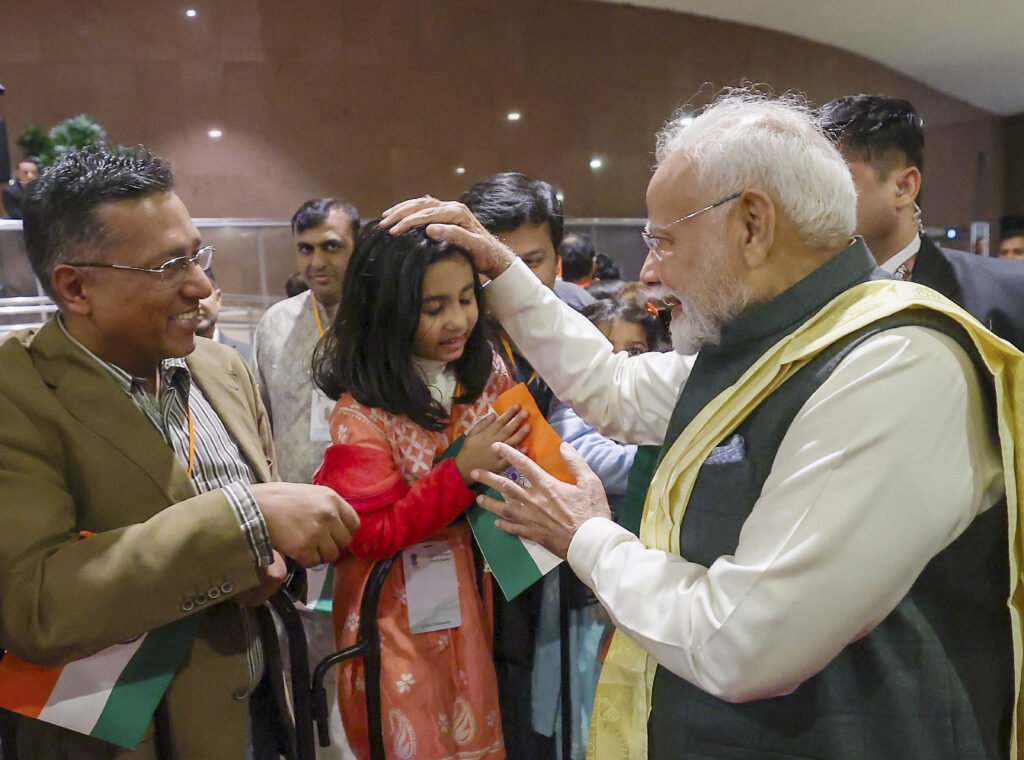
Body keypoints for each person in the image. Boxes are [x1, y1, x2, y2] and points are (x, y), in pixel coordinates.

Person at [381, 92, 1023, 759]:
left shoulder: (893, 362)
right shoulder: (782, 342)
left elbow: (745, 641)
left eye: (663, 240)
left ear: (752, 224)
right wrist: (503, 274)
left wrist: (586, 536)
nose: (650, 273)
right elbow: (616, 391)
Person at [0, 145, 359, 758]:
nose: (201, 285)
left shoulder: (220, 368)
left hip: (268, 710)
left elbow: (264, 538)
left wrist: (270, 560)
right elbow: (34, 604)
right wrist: (246, 520)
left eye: (197, 254)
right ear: (76, 286)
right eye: (169, 266)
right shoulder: (19, 392)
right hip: (132, 736)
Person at [310, 223, 529, 760]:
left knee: (473, 727)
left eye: (465, 298)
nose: (458, 320)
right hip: (390, 615)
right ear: (387, 310)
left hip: (474, 601)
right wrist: (461, 472)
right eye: (433, 308)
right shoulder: (360, 412)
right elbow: (370, 533)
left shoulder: (488, 374)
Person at [251, 197, 360, 759]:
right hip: (296, 527)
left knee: (368, 657)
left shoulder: (382, 321)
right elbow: (259, 419)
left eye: (332, 247)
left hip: (371, 522)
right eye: (306, 248)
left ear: (357, 247)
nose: (317, 261)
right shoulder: (275, 323)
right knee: (306, 658)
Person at [819, 94, 1024, 349]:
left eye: (832, 180)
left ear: (904, 187)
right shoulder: (798, 296)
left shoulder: (1008, 294)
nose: (814, 198)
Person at [196, 269, 252, 362]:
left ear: (218, 298)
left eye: (202, 296)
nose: (196, 305)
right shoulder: (169, 361)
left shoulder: (248, 356)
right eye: (187, 298)